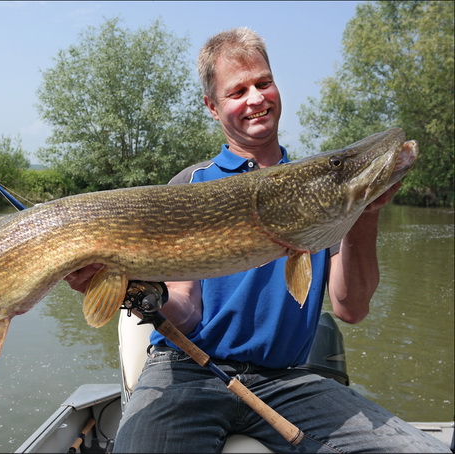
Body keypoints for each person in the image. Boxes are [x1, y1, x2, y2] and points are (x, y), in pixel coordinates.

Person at [64, 28, 449, 453]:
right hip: (187, 370)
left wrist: (365, 213)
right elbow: (187, 312)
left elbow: (351, 308)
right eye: (238, 91)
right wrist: (142, 291)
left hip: (286, 378)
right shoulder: (190, 186)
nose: (256, 98)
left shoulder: (317, 190)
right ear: (212, 107)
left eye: (264, 83)